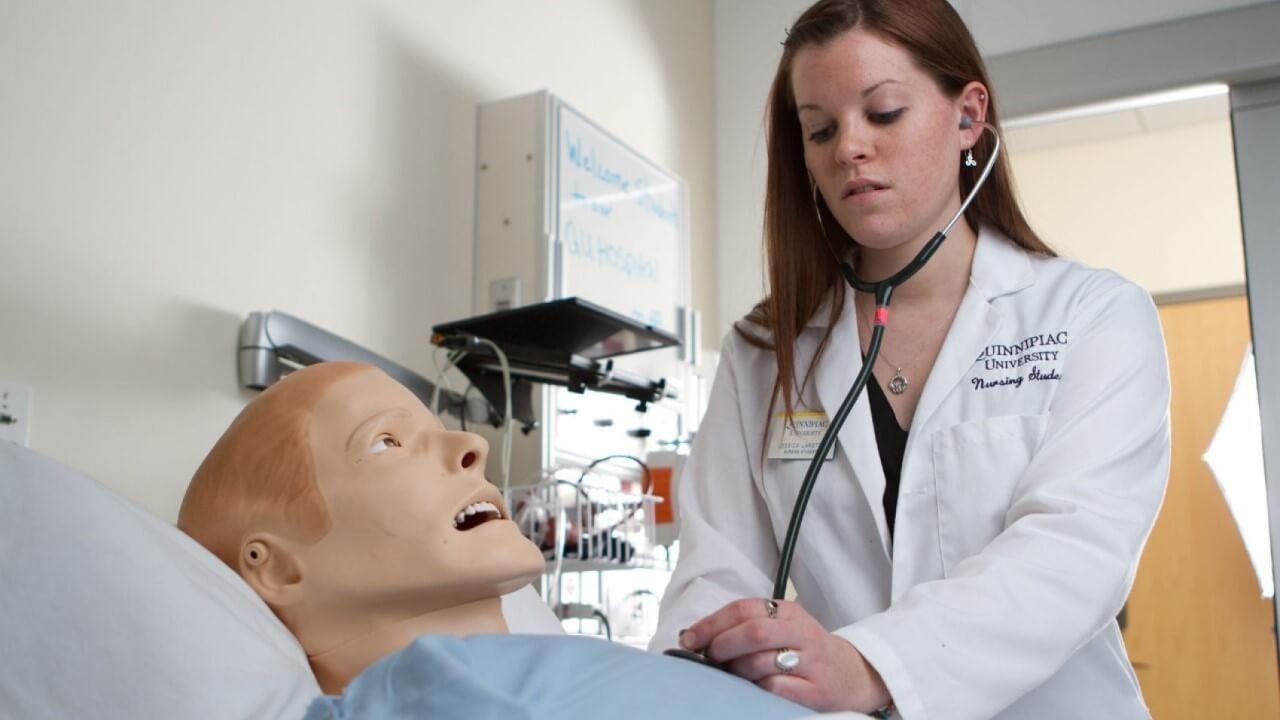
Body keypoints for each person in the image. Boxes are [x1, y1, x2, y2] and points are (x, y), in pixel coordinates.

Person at [649, 1, 1169, 719]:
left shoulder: (1092, 315)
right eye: (820, 130)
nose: (848, 149)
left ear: (968, 116)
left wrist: (868, 665)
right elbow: (715, 575)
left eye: (884, 112)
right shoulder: (764, 354)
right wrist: (694, 674)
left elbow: (1074, 552)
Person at [177, 362, 821, 719]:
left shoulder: (537, 675)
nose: (471, 447)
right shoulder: (419, 697)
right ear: (281, 568)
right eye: (387, 441)